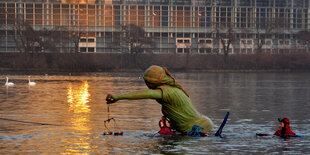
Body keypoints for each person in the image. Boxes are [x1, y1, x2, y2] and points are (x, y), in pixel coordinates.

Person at [106, 65, 214, 135]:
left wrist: (118, 97)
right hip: (203, 124)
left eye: (147, 82)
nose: (147, 85)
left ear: (152, 82)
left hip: (196, 129)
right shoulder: (174, 89)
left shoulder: (166, 92)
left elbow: (145, 94)